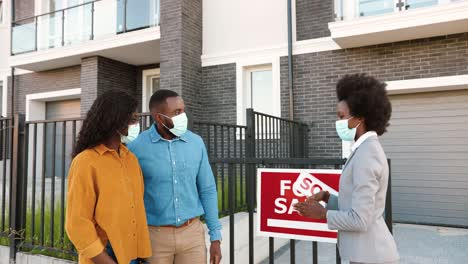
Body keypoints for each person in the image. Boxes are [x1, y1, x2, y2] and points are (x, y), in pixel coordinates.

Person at [294, 74, 400, 264]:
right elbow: (356, 206)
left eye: (341, 116)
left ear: (360, 118)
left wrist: (322, 213)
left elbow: (360, 219)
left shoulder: (368, 154)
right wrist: (327, 197)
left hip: (371, 257)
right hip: (365, 255)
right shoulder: (363, 149)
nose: (338, 122)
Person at [128, 89, 222, 264]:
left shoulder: (196, 142)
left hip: (192, 234)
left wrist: (215, 237)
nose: (183, 116)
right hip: (154, 237)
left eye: (183, 110)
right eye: (177, 112)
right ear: (158, 117)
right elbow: (130, 198)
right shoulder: (136, 147)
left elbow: (207, 189)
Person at [65, 90, 151, 264]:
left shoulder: (130, 159)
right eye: (132, 118)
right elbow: (77, 223)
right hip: (105, 255)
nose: (136, 124)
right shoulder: (86, 162)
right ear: (115, 119)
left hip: (133, 255)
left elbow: (136, 208)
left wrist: (142, 255)